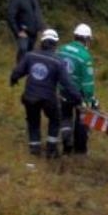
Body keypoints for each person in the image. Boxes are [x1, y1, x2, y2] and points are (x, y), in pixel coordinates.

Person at [9, 29, 80, 158]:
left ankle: (34, 149)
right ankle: (51, 149)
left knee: (33, 121)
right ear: (55, 44)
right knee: (55, 119)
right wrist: (77, 97)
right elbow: (67, 83)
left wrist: (13, 79)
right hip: (48, 98)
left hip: (29, 96)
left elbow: (18, 71)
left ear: (42, 42)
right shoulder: (58, 62)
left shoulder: (30, 56)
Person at [57, 24, 97, 155]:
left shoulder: (61, 50)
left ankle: (66, 142)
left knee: (66, 116)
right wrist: (89, 98)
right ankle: (80, 149)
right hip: (78, 93)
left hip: (62, 89)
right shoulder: (85, 57)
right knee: (82, 119)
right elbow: (87, 82)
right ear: (86, 39)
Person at [6, 0, 44, 64]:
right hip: (23, 31)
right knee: (23, 49)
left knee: (30, 53)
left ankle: (25, 69)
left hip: (33, 32)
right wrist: (18, 31)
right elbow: (11, 16)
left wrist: (42, 27)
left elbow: (37, 14)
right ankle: (19, 69)